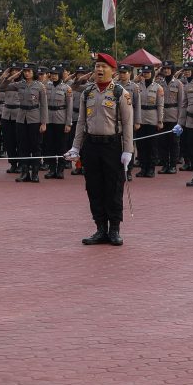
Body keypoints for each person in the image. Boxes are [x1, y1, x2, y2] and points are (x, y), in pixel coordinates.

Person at [67, 53, 134, 246]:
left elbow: (127, 124)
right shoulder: (88, 92)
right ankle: (100, 228)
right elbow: (81, 122)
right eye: (97, 66)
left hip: (112, 146)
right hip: (91, 145)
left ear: (113, 71)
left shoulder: (120, 93)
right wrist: (75, 147)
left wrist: (128, 150)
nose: (99, 70)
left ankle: (114, 230)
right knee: (94, 187)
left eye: (104, 67)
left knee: (113, 188)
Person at [0, 63, 48, 183]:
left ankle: (35, 173)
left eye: (29, 71)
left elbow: (44, 105)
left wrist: (43, 123)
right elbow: (1, 87)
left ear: (34, 72)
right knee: (23, 146)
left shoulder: (40, 86)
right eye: (25, 71)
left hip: (35, 118)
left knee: (35, 146)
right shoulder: (19, 84)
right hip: (21, 118)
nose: (26, 73)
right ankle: (24, 173)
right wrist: (9, 77)